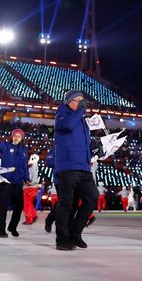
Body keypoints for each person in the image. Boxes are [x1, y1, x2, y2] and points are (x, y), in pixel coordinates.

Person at [53, 90, 98, 251]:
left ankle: (75, 231)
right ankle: (62, 239)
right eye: (77, 100)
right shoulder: (61, 115)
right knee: (66, 204)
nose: (80, 103)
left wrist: (94, 147)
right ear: (68, 101)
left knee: (92, 197)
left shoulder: (81, 119)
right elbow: (67, 126)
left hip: (83, 167)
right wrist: (80, 111)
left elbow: (81, 142)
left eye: (81, 100)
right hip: (68, 167)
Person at [0, 127, 28, 238]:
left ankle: (12, 227)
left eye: (19, 136)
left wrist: (26, 178)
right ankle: (1, 231)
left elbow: (25, 166)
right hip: (5, 182)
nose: (16, 138)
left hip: (18, 182)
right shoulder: (5, 146)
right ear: (12, 137)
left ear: (21, 138)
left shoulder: (24, 150)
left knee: (19, 206)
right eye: (15, 136)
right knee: (3, 207)